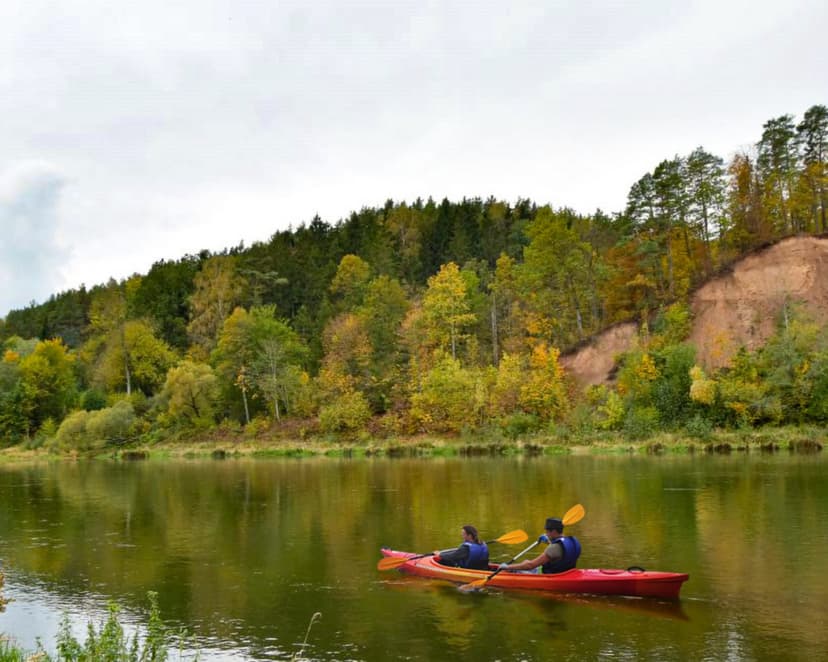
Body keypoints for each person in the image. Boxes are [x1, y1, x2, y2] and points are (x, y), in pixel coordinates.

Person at [498, 517, 581, 574]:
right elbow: (561, 552)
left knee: (522, 565)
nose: (546, 534)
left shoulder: (553, 548)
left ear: (554, 531)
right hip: (566, 573)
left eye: (547, 531)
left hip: (549, 576)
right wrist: (549, 541)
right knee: (525, 562)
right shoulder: (573, 541)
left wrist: (507, 567)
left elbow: (530, 565)